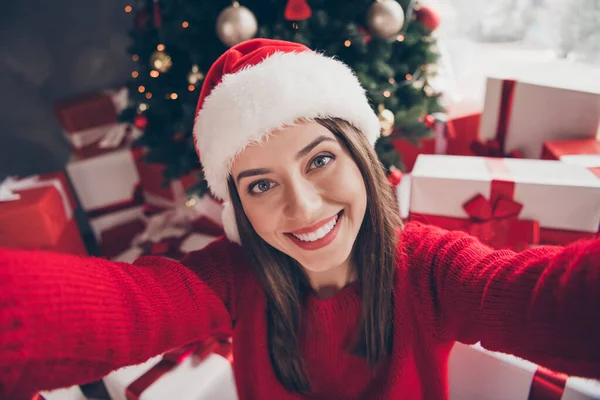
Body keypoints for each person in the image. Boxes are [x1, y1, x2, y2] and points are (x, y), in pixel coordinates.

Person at [1, 39, 599, 400]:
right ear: (237, 202)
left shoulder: (432, 267)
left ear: (361, 157)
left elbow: (549, 301)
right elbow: (123, 308)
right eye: (261, 184)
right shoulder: (233, 277)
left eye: (319, 160)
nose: (304, 208)